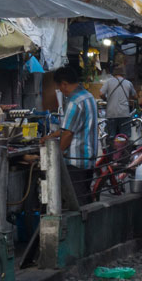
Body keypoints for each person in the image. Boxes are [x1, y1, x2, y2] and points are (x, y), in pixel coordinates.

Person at [44, 65, 99, 203]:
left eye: (59, 88)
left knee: (78, 201)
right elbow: (71, 127)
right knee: (85, 195)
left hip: (75, 160)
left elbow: (68, 133)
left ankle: (83, 224)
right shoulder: (88, 96)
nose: (61, 91)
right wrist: (50, 136)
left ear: (64, 84)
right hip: (88, 158)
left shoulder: (74, 101)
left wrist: (58, 154)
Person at [100, 63, 136, 144]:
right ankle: (123, 154)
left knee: (111, 137)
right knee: (124, 137)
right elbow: (135, 96)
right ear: (123, 74)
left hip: (111, 113)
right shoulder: (128, 83)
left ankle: (111, 154)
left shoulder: (108, 82)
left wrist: (106, 99)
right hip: (124, 114)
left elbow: (101, 94)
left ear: (114, 74)